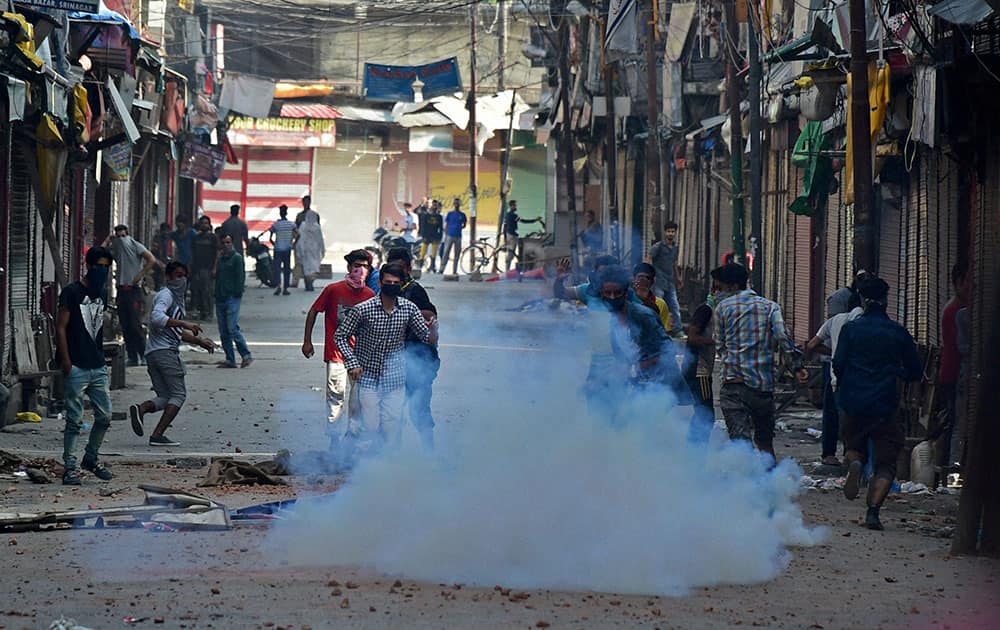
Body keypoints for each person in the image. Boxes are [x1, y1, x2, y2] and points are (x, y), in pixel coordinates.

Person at [834, 275, 922, 531]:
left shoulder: (850, 329)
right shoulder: (898, 333)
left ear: (861, 300)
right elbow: (915, 370)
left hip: (853, 400)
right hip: (885, 403)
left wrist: (850, 382)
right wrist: (898, 373)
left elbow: (838, 364)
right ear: (885, 300)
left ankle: (855, 463)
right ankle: (873, 512)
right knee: (886, 462)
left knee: (853, 445)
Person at [336, 263, 438, 454]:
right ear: (380, 283)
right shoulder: (363, 310)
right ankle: (361, 467)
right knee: (370, 425)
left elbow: (427, 338)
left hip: (395, 379)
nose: (391, 285)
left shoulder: (409, 309)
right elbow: (340, 336)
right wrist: (352, 363)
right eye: (387, 282)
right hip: (367, 377)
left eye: (395, 282)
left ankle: (385, 468)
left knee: (391, 427)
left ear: (401, 285)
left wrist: (433, 329)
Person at [713, 263, 801, 460]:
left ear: (733, 286)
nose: (719, 292)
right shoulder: (770, 306)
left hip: (733, 384)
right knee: (764, 440)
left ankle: (748, 486)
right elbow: (783, 337)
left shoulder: (722, 309)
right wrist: (797, 366)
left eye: (722, 287)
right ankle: (770, 484)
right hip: (762, 387)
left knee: (740, 443)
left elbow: (719, 345)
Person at [129, 262, 216, 447]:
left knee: (165, 396)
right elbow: (157, 318)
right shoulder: (166, 296)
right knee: (179, 395)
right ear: (168, 277)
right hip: (165, 354)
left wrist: (200, 341)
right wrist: (186, 324)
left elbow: (174, 331)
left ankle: (141, 408)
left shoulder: (175, 300)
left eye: (184, 276)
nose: (181, 280)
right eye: (177, 275)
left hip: (153, 354)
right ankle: (157, 435)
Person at [302, 250, 376, 454]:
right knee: (335, 397)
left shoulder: (370, 295)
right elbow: (313, 311)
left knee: (358, 400)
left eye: (364, 267)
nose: (360, 270)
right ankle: (334, 439)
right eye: (356, 266)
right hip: (335, 354)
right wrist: (307, 341)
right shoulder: (333, 290)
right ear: (348, 268)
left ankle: (352, 439)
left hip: (360, 357)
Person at [56, 247, 115, 485]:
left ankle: (90, 458)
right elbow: (60, 326)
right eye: (98, 266)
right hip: (77, 366)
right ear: (88, 266)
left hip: (97, 366)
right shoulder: (71, 292)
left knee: (105, 417)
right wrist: (67, 361)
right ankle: (70, 468)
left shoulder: (102, 294)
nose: (102, 270)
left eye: (106, 267)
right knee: (74, 420)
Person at [595, 265, 682, 423]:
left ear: (625, 292)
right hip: (637, 384)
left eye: (617, 292)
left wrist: (636, 367)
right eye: (608, 293)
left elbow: (668, 351)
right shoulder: (613, 321)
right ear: (601, 294)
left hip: (658, 386)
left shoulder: (643, 316)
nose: (613, 297)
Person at [801, 279, 866, 466]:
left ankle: (828, 454)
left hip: (834, 374)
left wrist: (833, 352)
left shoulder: (834, 321)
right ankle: (850, 455)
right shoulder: (861, 320)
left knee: (831, 415)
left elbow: (812, 345)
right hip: (856, 377)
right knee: (852, 418)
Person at [386, 247, 439, 451]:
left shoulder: (415, 291)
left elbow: (430, 322)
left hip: (417, 359)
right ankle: (392, 455)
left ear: (408, 268)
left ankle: (429, 453)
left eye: (399, 268)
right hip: (392, 360)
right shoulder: (386, 290)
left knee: (419, 409)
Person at [107, 224, 159, 366]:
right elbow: (100, 253)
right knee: (125, 325)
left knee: (135, 325)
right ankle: (132, 357)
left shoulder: (134, 245)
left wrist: (141, 274)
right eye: (118, 237)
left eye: (123, 236)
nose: (121, 240)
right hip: (121, 290)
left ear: (128, 235)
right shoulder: (116, 248)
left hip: (133, 290)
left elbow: (151, 259)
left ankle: (144, 355)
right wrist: (108, 240)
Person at [939, 264, 970, 470]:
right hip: (954, 375)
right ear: (958, 283)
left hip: (954, 374)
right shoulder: (957, 312)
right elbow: (961, 347)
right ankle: (953, 475)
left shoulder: (958, 309)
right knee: (957, 426)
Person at [684, 270, 719, 443]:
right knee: (705, 414)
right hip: (699, 371)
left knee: (702, 412)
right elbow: (692, 337)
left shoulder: (713, 311)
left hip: (700, 369)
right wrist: (715, 342)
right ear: (715, 290)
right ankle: (697, 451)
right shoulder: (706, 310)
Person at [215, 234, 253, 369]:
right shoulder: (221, 259)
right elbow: (216, 274)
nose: (226, 245)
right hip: (220, 296)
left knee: (232, 327)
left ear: (232, 243)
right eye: (224, 242)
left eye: (228, 242)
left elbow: (240, 278)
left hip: (232, 297)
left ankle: (246, 355)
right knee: (224, 330)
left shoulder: (236, 258)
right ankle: (230, 359)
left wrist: (237, 292)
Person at [647, 221, 684, 335]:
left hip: (670, 281)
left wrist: (678, 277)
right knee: (658, 305)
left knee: (674, 306)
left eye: (673, 232)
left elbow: (674, 263)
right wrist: (650, 275)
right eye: (668, 231)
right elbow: (649, 258)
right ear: (665, 232)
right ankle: (656, 329)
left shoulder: (675, 248)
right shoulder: (658, 247)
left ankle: (678, 329)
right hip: (659, 281)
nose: (670, 234)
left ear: (675, 233)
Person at [190, 216, 218, 321]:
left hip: (208, 268)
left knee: (208, 291)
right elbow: (192, 253)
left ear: (209, 225)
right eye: (202, 223)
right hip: (197, 268)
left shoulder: (213, 238)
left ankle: (208, 313)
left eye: (206, 223)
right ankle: (202, 312)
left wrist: (215, 268)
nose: (204, 225)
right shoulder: (196, 238)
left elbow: (217, 254)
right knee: (198, 291)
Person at [632, 262, 672, 331]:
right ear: (634, 279)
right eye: (640, 277)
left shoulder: (661, 304)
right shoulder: (626, 300)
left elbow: (664, 332)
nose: (643, 281)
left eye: (647, 278)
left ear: (653, 281)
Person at [295, 200, 325, 292]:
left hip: (306, 248)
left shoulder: (304, 226)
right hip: (314, 249)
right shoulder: (314, 227)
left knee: (307, 267)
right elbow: (320, 239)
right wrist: (322, 249)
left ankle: (308, 283)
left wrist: (299, 247)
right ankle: (309, 283)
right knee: (312, 267)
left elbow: (301, 237)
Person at [269, 205, 297, 295]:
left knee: (277, 269)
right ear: (286, 212)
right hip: (287, 249)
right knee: (286, 269)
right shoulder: (291, 224)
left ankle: (278, 287)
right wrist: (293, 244)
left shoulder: (276, 224)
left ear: (280, 213)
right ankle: (285, 288)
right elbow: (298, 234)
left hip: (277, 249)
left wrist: (274, 243)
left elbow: (270, 236)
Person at [439, 198, 467, 275]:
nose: (456, 205)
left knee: (457, 254)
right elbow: (447, 224)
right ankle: (441, 269)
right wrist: (447, 232)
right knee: (446, 253)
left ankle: (454, 270)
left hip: (458, 236)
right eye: (455, 203)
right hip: (450, 235)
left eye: (458, 203)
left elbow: (464, 225)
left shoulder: (462, 215)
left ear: (460, 205)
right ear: (453, 204)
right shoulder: (450, 214)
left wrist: (459, 228)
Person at [418, 199, 444, 273]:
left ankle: (432, 266)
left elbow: (441, 228)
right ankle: (420, 265)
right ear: (431, 206)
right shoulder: (426, 215)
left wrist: (440, 237)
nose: (434, 207)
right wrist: (423, 236)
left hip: (435, 236)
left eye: (436, 205)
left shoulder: (439, 217)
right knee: (423, 251)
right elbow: (423, 226)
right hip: (427, 236)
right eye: (433, 205)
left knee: (434, 252)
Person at [150, 222, 172, 289]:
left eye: (167, 231)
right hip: (158, 265)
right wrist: (159, 263)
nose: (166, 233)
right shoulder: (157, 239)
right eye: (164, 231)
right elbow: (153, 253)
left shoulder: (170, 239)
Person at [503, 200, 521, 271]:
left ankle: (507, 269)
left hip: (509, 235)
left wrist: (505, 237)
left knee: (511, 252)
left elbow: (504, 226)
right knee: (511, 253)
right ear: (511, 206)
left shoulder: (507, 215)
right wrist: (535, 220)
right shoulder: (513, 216)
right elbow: (523, 221)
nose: (516, 207)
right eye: (515, 205)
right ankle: (507, 270)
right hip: (512, 236)